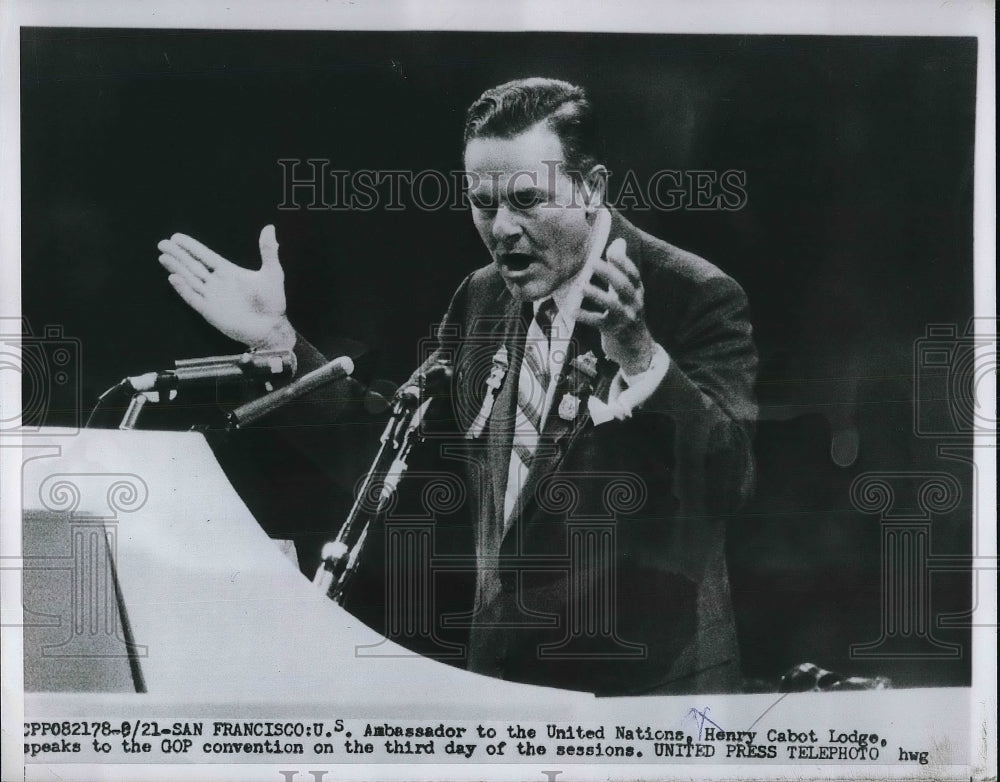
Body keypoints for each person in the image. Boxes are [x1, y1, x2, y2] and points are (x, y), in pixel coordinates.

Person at [157, 77, 758, 695]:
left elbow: (727, 482)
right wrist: (278, 342)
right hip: (503, 692)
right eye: (482, 202)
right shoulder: (481, 300)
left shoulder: (691, 293)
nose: (501, 228)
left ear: (592, 188)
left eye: (526, 200)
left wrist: (637, 351)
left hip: (647, 700)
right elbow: (392, 451)